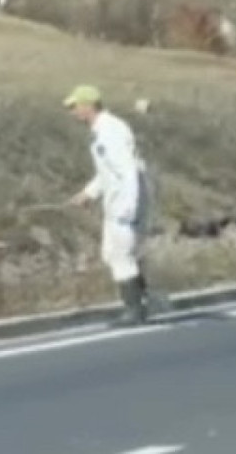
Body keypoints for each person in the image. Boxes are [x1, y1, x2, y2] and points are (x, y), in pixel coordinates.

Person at [63, 84, 153, 327]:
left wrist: (129, 207)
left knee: (120, 253)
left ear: (88, 106)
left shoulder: (111, 130)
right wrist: (88, 194)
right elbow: (107, 172)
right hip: (115, 201)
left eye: (74, 107)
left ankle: (135, 310)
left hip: (126, 202)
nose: (72, 112)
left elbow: (127, 170)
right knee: (111, 253)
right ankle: (143, 299)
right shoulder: (99, 131)